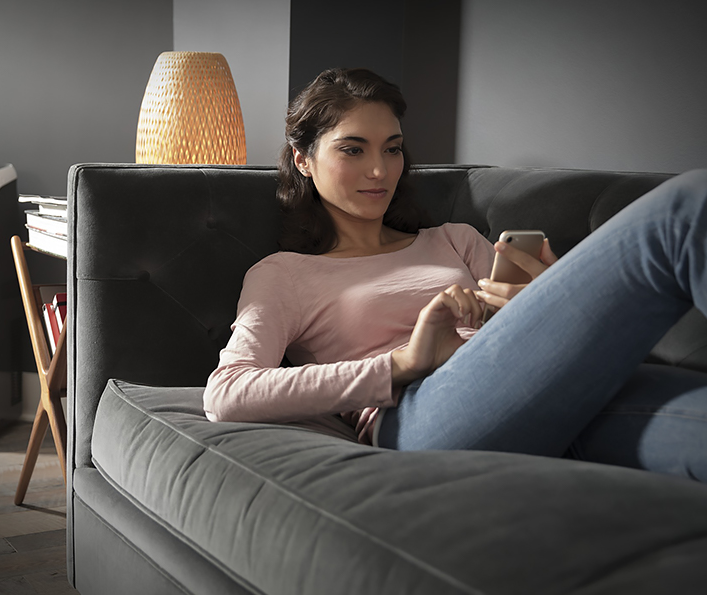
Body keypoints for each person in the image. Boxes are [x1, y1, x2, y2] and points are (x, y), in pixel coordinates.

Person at [203, 67, 707, 482]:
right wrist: (402, 363)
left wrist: (545, 302)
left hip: (531, 391)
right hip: (417, 416)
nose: (380, 170)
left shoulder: (453, 239)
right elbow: (228, 394)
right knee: (684, 209)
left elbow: (516, 338)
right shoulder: (284, 274)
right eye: (353, 149)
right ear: (303, 159)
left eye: (392, 148)